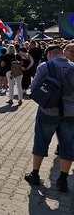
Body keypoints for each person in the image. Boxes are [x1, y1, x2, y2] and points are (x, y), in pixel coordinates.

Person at [24, 45, 74, 192]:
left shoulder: (45, 66)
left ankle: (35, 175)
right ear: (62, 54)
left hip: (48, 111)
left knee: (41, 141)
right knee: (68, 145)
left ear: (50, 54)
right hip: (70, 113)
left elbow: (33, 87)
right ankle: (63, 180)